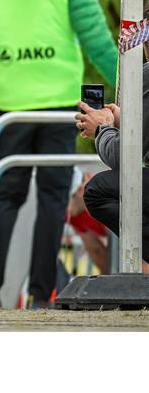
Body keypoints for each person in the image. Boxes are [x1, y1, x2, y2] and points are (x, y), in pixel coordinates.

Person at [0, 0, 118, 308]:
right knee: (52, 196)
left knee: (4, 196)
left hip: (12, 105)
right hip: (59, 103)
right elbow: (97, 40)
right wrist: (131, 86)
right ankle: (40, 293)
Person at [76, 26, 148, 270]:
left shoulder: (146, 75)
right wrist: (127, 120)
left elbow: (123, 157)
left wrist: (102, 129)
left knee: (97, 189)